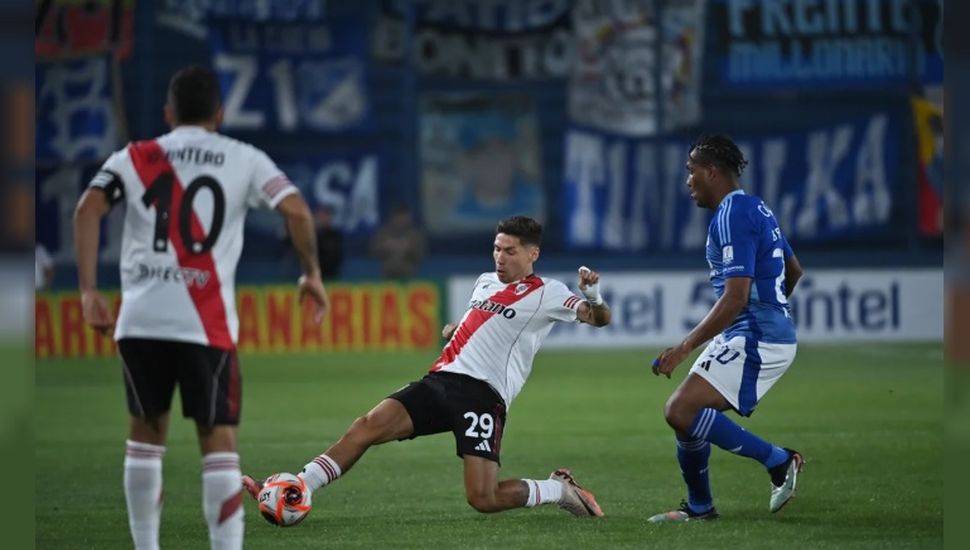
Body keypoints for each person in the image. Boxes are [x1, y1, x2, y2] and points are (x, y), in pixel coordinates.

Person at [73, 65, 330, 550]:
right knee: (217, 443)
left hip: (141, 319)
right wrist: (311, 273)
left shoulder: (136, 155)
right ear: (220, 112)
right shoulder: (244, 157)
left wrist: (88, 291)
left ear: (169, 114)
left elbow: (87, 208)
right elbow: (295, 208)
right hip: (204, 323)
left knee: (145, 440)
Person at [244, 215, 612, 517]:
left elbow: (598, 319)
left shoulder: (547, 292)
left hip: (482, 397)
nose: (500, 257)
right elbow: (482, 325)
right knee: (366, 427)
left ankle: (557, 489)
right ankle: (298, 486)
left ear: (532, 254)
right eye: (496, 249)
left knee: (483, 499)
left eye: (510, 251)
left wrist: (592, 295)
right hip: (440, 381)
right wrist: (456, 330)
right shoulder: (484, 283)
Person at [647, 134, 804, 523]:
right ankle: (700, 508)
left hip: (758, 335)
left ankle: (779, 460)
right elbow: (794, 270)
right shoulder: (757, 208)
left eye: (691, 171)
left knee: (680, 409)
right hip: (751, 330)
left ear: (712, 172)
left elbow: (735, 297)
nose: (688, 180)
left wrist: (683, 348)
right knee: (685, 414)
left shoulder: (732, 214)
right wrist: (774, 308)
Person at [370, 205, 426, 279]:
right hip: (387, 275)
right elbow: (374, 251)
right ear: (393, 217)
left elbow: (420, 254)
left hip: (409, 276)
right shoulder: (383, 234)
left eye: (405, 217)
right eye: (399, 217)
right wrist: (387, 248)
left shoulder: (415, 235)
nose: (402, 220)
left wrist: (406, 248)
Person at [313, 205, 343, 279]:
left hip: (332, 273)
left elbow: (338, 255)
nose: (323, 218)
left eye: (325, 216)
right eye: (321, 216)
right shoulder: (311, 235)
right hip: (313, 273)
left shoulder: (335, 235)